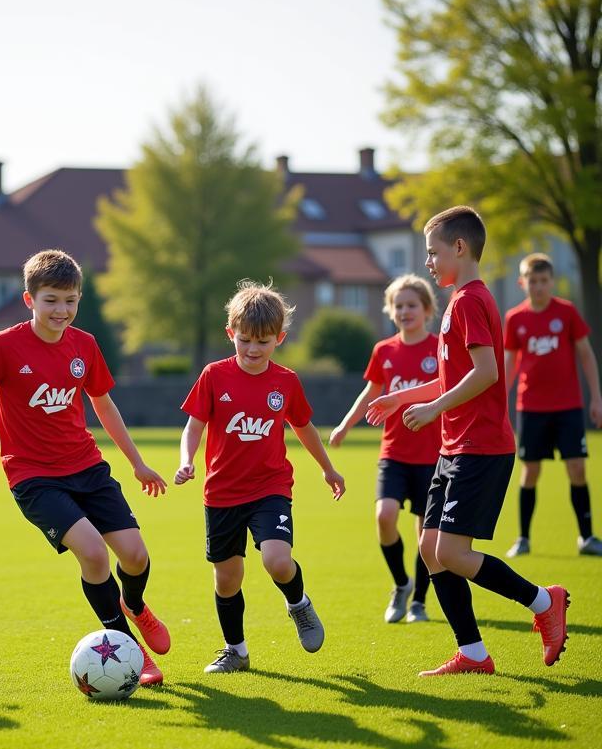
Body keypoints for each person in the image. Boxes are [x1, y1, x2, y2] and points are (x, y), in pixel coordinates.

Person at [0, 249, 170, 685]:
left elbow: (103, 404)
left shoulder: (85, 346)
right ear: (29, 300)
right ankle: (128, 648)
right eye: (51, 300)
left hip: (87, 468)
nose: (61, 310)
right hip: (34, 478)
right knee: (94, 552)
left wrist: (137, 463)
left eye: (70, 300)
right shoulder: (4, 345)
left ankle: (134, 606)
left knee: (135, 556)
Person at [368, 206, 569, 676]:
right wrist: (403, 399)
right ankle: (474, 655)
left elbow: (486, 373)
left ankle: (544, 601)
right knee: (429, 549)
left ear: (460, 248)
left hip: (481, 447)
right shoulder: (459, 301)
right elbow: (450, 379)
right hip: (453, 446)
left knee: (452, 554)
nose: (429, 263)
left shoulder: (470, 301)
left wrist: (434, 409)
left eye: (433, 253)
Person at [174, 280, 345, 673]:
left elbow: (304, 428)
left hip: (270, 488)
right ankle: (236, 651)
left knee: (277, 561)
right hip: (221, 493)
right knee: (227, 579)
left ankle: (298, 604)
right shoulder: (214, 376)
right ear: (230, 333)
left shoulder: (285, 382)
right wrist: (187, 460)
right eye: (245, 340)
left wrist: (328, 469)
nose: (253, 350)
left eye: (263, 342)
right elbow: (193, 427)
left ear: (279, 338)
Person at [330, 274, 440, 624]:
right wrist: (346, 424)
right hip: (394, 453)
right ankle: (401, 585)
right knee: (384, 516)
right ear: (390, 311)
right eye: (398, 305)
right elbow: (371, 393)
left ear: (426, 309)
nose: (405, 311)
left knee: (426, 535)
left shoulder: (440, 349)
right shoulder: (384, 350)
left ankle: (420, 602)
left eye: (412, 305)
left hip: (433, 455)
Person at [502, 252, 602, 557]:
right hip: (530, 407)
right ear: (523, 283)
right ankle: (523, 538)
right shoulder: (515, 318)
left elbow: (585, 354)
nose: (539, 287)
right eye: (532, 281)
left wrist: (596, 397)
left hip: (568, 406)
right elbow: (510, 363)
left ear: (552, 281)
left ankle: (586, 538)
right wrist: (497, 404)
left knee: (577, 469)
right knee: (530, 472)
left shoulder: (567, 313)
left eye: (544, 281)